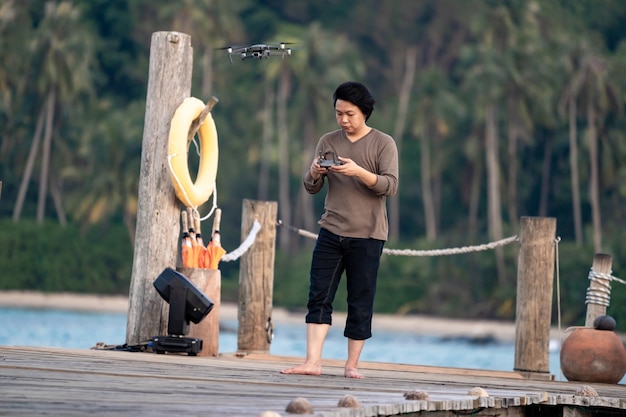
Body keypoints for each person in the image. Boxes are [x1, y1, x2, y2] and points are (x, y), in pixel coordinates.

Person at [280, 81, 399, 379]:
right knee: (318, 295)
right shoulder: (328, 140)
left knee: (360, 299)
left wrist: (357, 171)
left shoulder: (384, 143)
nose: (343, 120)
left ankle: (351, 365)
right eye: (338, 114)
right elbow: (311, 187)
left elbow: (390, 186)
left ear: (365, 113)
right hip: (330, 230)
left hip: (368, 235)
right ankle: (312, 362)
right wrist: (314, 172)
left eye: (350, 114)